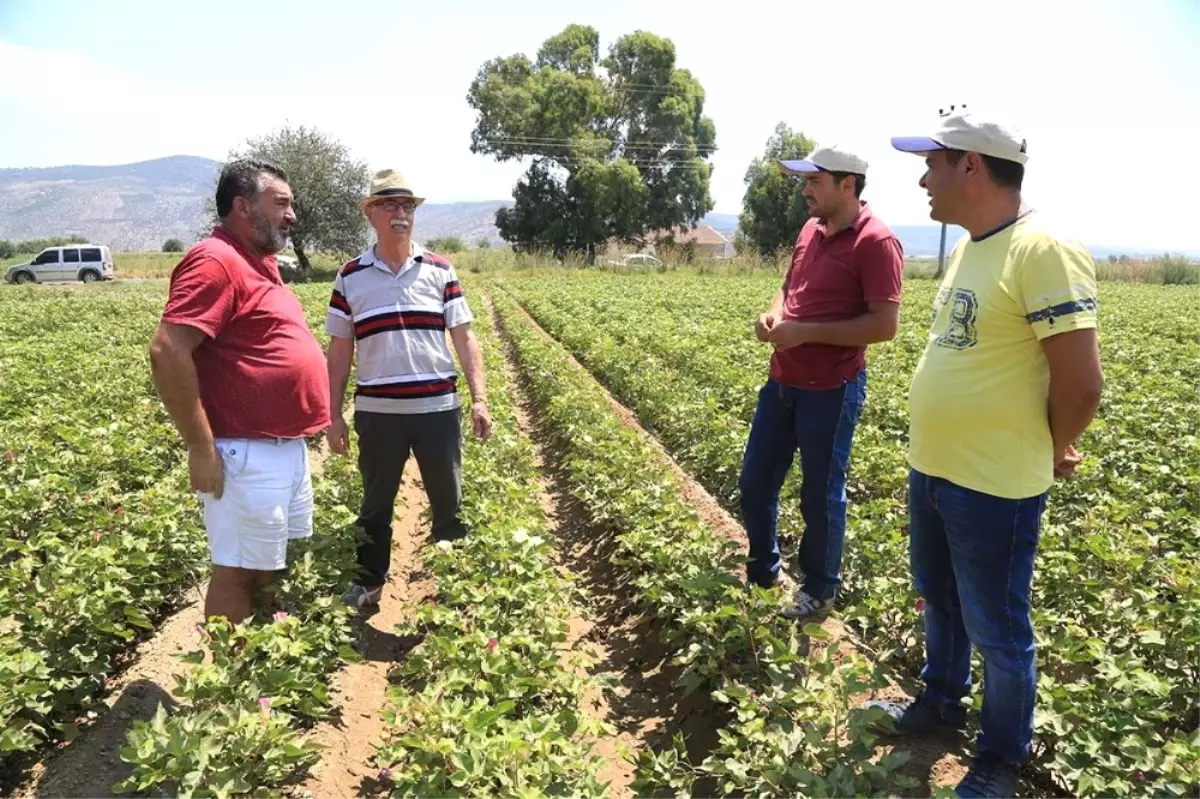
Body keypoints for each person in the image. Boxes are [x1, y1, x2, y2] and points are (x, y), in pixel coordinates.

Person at [864, 110, 1104, 798]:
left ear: (971, 165)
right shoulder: (973, 243)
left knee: (999, 628)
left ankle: (1000, 754)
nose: (922, 177)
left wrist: (1049, 445)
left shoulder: (1043, 247)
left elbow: (1082, 380)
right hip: (936, 470)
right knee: (938, 599)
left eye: (933, 162)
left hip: (995, 483)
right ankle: (940, 701)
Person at [149, 158, 331, 624]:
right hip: (245, 452)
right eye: (281, 203)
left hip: (281, 448)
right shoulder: (215, 260)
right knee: (238, 572)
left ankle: (260, 679)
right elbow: (168, 351)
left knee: (269, 567)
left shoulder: (259, 262)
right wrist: (199, 445)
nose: (292, 214)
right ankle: (225, 689)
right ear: (242, 206)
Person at [739, 145, 905, 620]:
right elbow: (789, 286)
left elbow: (883, 326)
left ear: (847, 184)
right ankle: (764, 571)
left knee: (820, 492)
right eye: (805, 181)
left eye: (815, 181)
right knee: (755, 482)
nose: (806, 190)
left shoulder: (877, 242)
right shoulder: (810, 230)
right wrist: (774, 313)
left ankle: (819, 588)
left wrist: (805, 333)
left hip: (832, 388)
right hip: (783, 381)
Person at [326, 169, 492, 610]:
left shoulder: (439, 270)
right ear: (370, 213)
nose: (401, 214)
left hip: (437, 409)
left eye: (408, 206)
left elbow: (464, 336)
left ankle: (454, 588)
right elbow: (340, 351)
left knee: (448, 503)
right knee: (375, 503)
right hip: (378, 414)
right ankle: (368, 582)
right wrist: (333, 414)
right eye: (390, 205)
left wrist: (480, 398)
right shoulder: (350, 277)